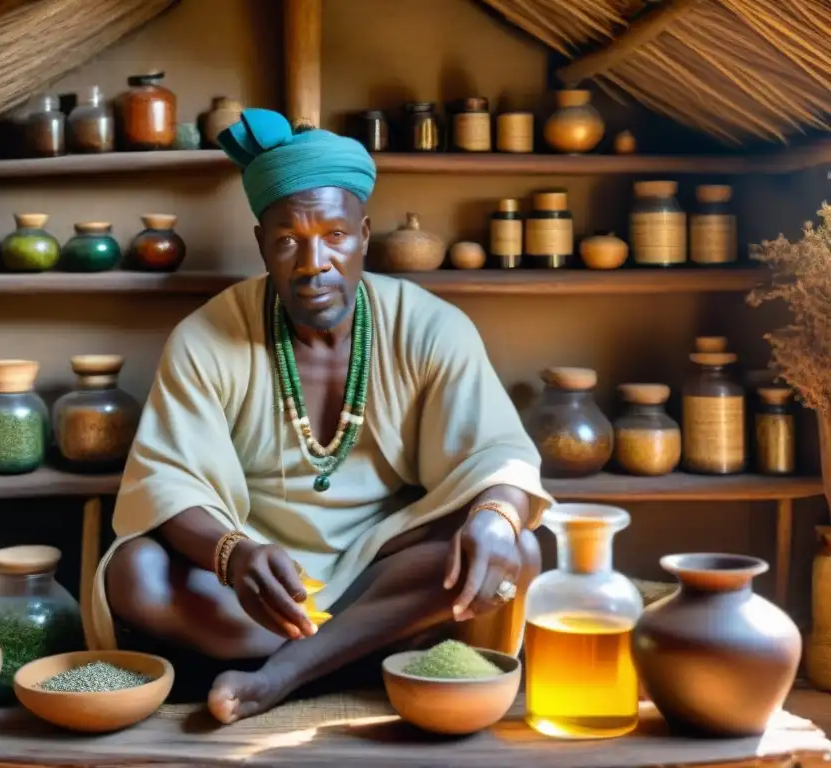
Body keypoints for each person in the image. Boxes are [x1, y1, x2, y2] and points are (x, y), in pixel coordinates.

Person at [87, 108, 553, 724]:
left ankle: (281, 676)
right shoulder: (207, 336)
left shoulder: (430, 326)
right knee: (136, 574)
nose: (314, 263)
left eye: (334, 235)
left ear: (364, 234)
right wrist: (234, 553)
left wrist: (494, 516)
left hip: (384, 559)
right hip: (254, 578)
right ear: (262, 245)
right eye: (288, 241)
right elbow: (167, 483)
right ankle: (367, 649)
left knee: (517, 548)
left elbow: (499, 453)